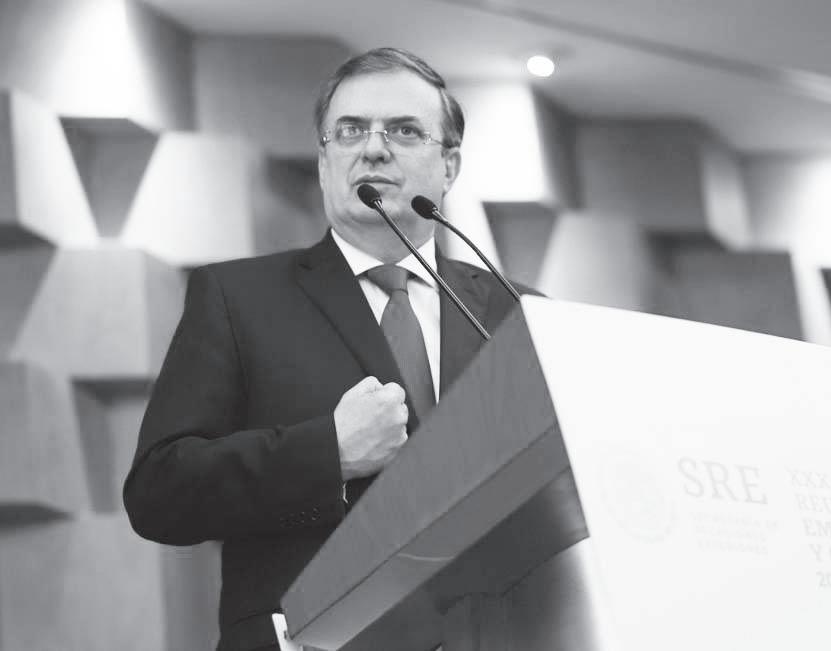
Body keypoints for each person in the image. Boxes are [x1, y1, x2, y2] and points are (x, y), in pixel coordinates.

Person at [123, 47, 533, 651]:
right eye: (349, 131)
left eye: (404, 130)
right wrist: (327, 454)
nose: (373, 149)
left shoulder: (516, 312)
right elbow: (159, 493)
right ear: (323, 163)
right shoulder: (238, 299)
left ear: (450, 166)